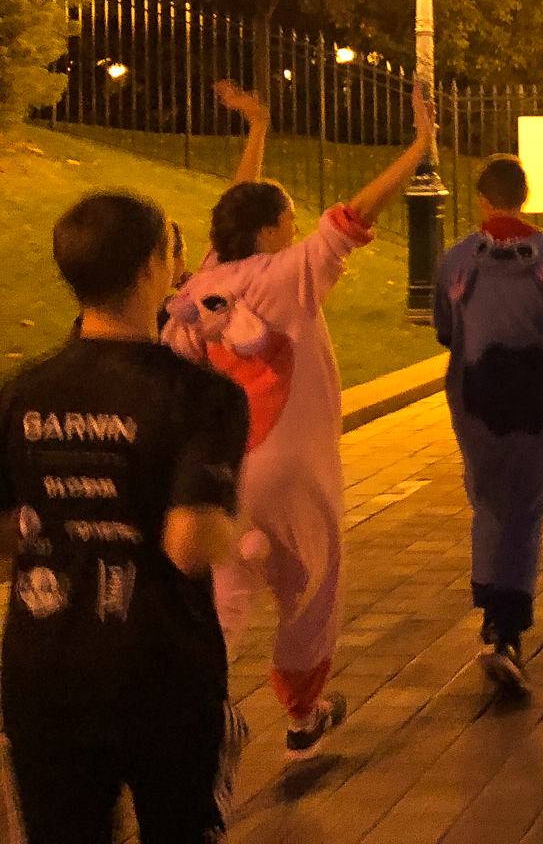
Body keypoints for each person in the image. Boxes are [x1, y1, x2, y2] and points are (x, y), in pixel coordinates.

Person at [163, 80, 433, 757]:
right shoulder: (294, 272)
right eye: (284, 216)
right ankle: (302, 712)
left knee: (227, 590)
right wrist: (420, 145)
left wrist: (258, 128)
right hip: (296, 466)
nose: (294, 223)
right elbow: (356, 212)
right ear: (268, 230)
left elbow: (235, 211)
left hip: (224, 469)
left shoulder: (205, 287)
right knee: (313, 588)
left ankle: (191, 710)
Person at [2, 193, 249, 844]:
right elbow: (191, 545)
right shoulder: (201, 396)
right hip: (162, 672)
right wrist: (234, 526)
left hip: (43, 674)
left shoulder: (22, 395)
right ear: (154, 268)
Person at [434, 155, 543, 693]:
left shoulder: (457, 260)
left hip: (477, 393)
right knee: (527, 507)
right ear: (525, 196)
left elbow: (446, 331)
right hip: (535, 394)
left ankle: (490, 613)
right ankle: (508, 628)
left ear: (482, 198)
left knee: (488, 501)